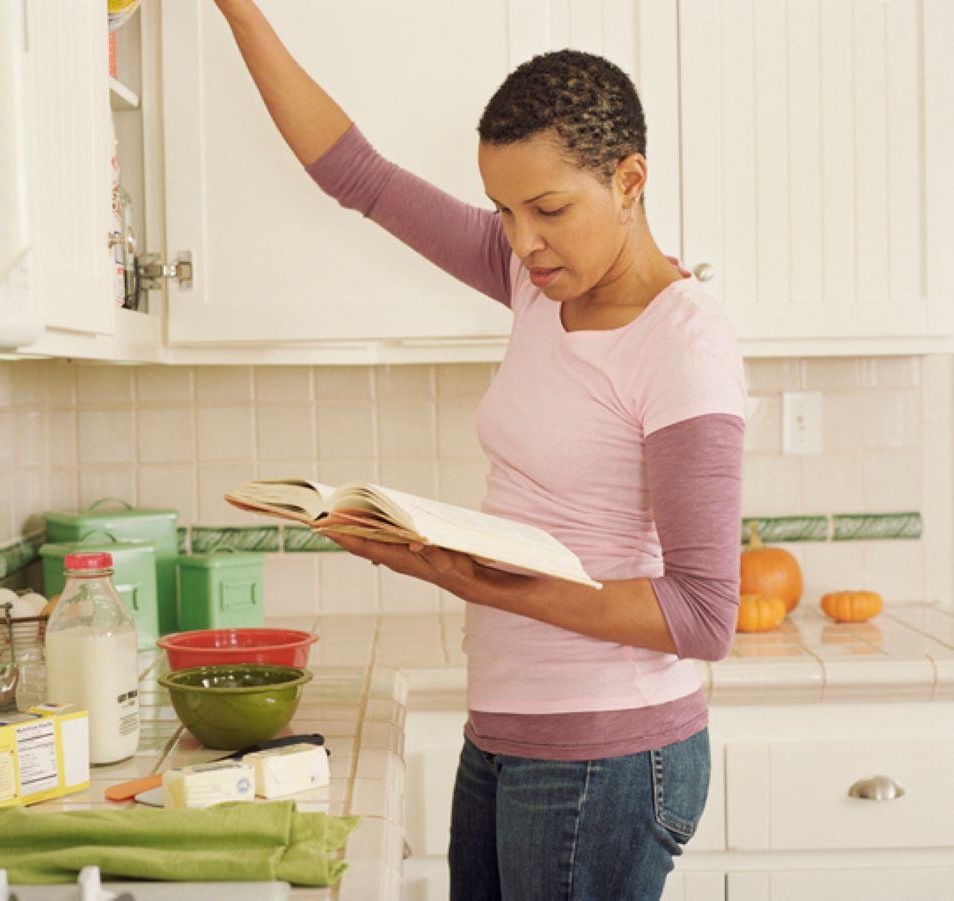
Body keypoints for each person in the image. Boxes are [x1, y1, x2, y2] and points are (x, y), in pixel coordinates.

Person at [211, 2, 746, 898]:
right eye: (503, 210)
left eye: (548, 209)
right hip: (506, 730)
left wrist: (467, 575)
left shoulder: (682, 343)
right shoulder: (537, 286)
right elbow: (358, 176)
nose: (521, 242)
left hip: (608, 754)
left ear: (630, 179)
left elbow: (701, 615)